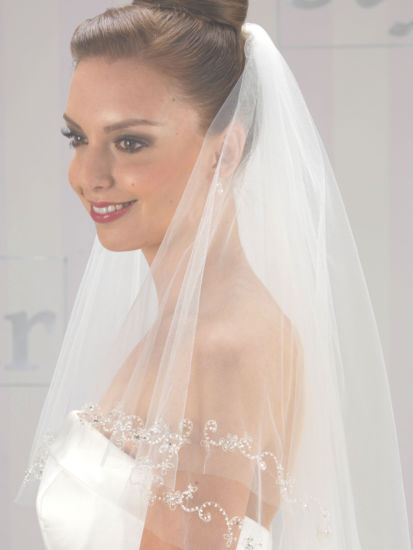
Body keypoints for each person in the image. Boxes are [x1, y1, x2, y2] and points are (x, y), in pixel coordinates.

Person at [14, 1, 412, 549]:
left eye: (130, 142)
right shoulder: (202, 322)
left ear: (224, 154)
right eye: (78, 138)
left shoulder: (223, 347)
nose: (89, 175)